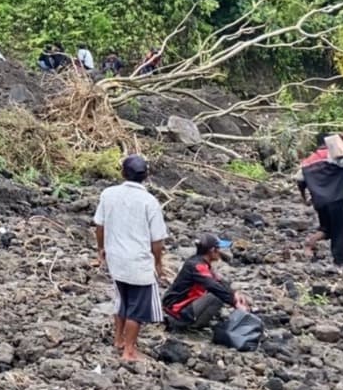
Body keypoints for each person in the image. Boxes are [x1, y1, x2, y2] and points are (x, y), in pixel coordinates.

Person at [94, 154, 169, 362]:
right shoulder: (149, 202)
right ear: (146, 176)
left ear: (122, 173)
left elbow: (100, 226)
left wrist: (101, 248)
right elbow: (157, 240)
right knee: (137, 308)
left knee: (122, 300)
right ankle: (129, 351)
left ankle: (118, 340)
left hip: (116, 258)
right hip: (138, 261)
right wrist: (158, 263)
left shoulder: (108, 194)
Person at [163, 234, 252, 331]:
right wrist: (235, 303)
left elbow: (219, 281)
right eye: (218, 248)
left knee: (220, 291)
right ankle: (189, 326)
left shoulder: (199, 262)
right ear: (212, 250)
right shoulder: (197, 266)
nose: (220, 252)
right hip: (176, 313)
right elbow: (213, 286)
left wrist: (235, 294)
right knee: (216, 296)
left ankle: (192, 323)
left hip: (179, 309)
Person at [299, 132, 343, 265]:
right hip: (335, 199)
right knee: (340, 231)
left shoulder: (308, 160)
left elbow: (300, 180)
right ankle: (339, 261)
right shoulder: (333, 155)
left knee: (327, 229)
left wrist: (304, 197)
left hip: (319, 202)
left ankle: (310, 243)